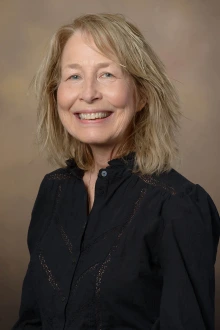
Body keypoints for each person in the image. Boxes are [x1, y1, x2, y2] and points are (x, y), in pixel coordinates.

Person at [12, 13, 220, 330]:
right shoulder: (53, 190)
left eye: (107, 74)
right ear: (55, 94)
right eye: (74, 77)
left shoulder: (178, 205)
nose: (89, 93)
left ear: (143, 94)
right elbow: (32, 320)